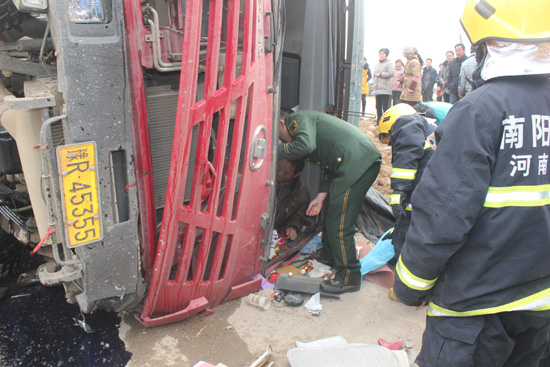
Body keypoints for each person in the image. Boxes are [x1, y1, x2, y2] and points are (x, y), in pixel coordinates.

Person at [393, 0, 550, 366]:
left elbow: (443, 213)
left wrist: (410, 284)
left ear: (487, 46)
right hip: (541, 304)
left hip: (475, 307)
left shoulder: (481, 109)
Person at [278, 109, 381, 294]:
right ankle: (329, 256)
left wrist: (274, 148)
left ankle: (349, 277)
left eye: (281, 138)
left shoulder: (297, 119)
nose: (284, 143)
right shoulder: (307, 128)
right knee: (331, 213)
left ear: (281, 123)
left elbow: (306, 146)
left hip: (357, 162)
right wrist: (320, 196)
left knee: (340, 223)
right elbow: (329, 164)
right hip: (350, 163)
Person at [377, 103, 436, 260]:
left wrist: (398, 192)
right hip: (432, 195)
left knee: (405, 238)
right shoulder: (425, 131)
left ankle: (401, 280)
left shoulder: (406, 126)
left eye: (385, 136)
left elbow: (406, 161)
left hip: (423, 197)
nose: (388, 142)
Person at [274, 158, 311, 241]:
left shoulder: (302, 194)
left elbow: (297, 217)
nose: (279, 173)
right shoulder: (267, 175)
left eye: (285, 173)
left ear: (296, 174)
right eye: (279, 168)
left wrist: (293, 227)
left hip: (276, 231)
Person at [372, 48, 395, 123]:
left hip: (385, 89)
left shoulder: (389, 63)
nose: (381, 55)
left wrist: (381, 74)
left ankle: (386, 121)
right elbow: (374, 76)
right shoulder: (377, 64)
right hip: (377, 89)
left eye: (382, 54)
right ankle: (379, 120)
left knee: (385, 107)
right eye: (380, 54)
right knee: (378, 106)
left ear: (386, 55)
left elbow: (391, 73)